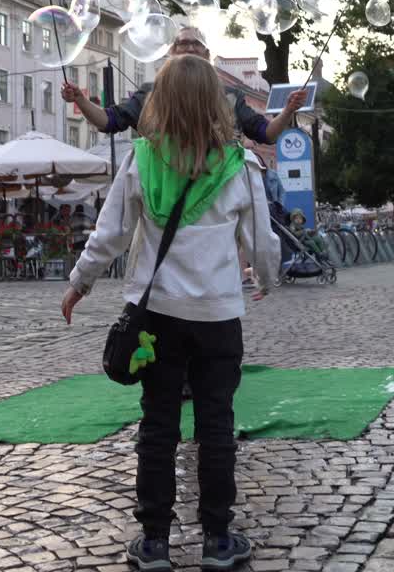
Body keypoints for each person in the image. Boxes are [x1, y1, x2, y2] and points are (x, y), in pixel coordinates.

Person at [61, 54, 279, 572]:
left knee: (158, 424)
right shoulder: (240, 164)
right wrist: (266, 282)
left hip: (156, 316)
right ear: (218, 104)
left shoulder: (141, 159)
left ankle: (155, 541)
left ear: (158, 102)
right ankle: (218, 540)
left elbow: (110, 234)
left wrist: (79, 283)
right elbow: (263, 242)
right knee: (216, 425)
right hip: (218, 316)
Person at [61, 26, 306, 143]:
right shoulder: (151, 94)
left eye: (196, 44)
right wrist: (80, 100)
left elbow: (267, 134)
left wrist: (288, 111)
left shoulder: (229, 96)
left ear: (207, 54)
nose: (190, 47)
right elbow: (110, 121)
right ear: (172, 53)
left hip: (216, 196)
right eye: (183, 43)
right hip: (165, 195)